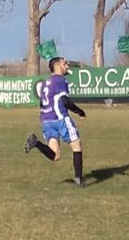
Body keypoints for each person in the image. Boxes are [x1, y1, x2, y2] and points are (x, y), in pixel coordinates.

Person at [24, 57, 88, 188]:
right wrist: (79, 111)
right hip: (60, 118)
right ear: (57, 66)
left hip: (46, 120)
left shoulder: (46, 83)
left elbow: (42, 103)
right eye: (65, 64)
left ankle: (36, 143)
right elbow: (64, 101)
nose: (67, 66)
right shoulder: (60, 80)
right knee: (77, 146)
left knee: (55, 155)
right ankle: (79, 180)